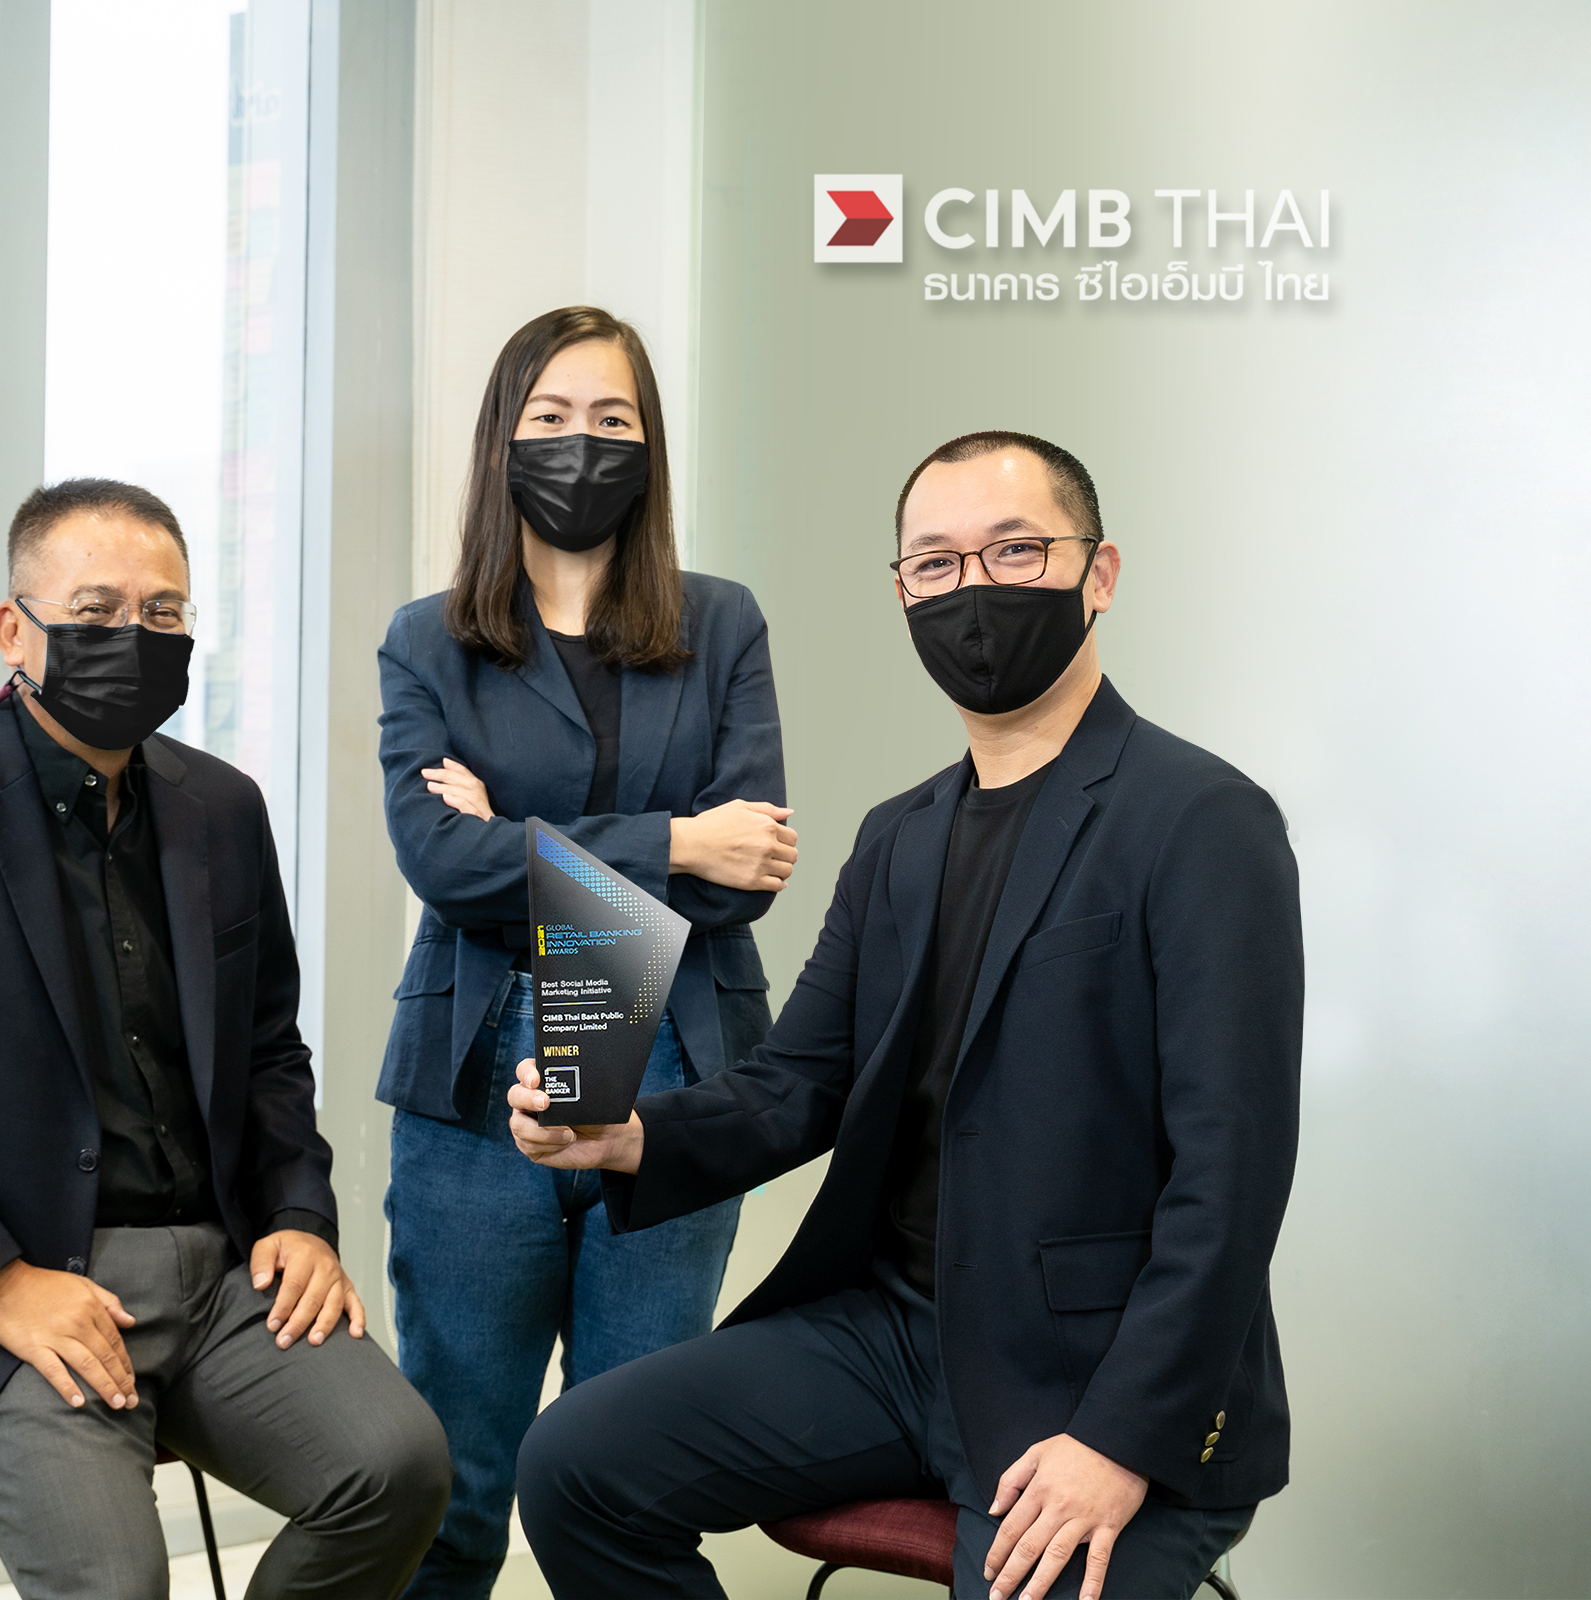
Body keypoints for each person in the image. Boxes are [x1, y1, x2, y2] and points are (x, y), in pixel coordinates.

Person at [507, 432, 1304, 1600]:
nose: (973, 589)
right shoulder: (899, 837)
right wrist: (627, 1137)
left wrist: (1119, 1437)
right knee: (574, 1464)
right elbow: (799, 1081)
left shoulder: (1203, 819)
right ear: (904, 595)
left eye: (1015, 550)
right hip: (889, 1336)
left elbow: (1231, 1174)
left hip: (1094, 1372)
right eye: (935, 563)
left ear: (1099, 572)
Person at [0, 478, 449, 1600]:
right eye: (94, 611)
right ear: (15, 631)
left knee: (399, 1468)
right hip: (20, 1281)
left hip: (221, 1273)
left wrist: (299, 1215)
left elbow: (270, 1050)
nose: (132, 637)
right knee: (118, 1581)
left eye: (162, 613)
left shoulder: (223, 807)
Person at [374, 306, 800, 1597]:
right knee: (454, 1478)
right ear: (503, 440)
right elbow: (440, 865)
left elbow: (746, 878)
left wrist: (514, 835)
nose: (582, 442)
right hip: (475, 1070)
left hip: (674, 1060)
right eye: (551, 416)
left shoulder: (723, 623)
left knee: (626, 1471)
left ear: (649, 444)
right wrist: (678, 838)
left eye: (612, 418)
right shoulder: (426, 638)